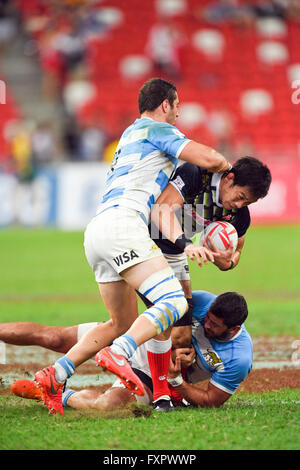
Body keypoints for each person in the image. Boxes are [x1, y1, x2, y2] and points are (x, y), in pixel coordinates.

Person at [33, 77, 231, 415]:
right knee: (171, 302)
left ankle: (55, 375)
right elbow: (209, 158)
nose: (179, 113)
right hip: (125, 224)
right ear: (164, 104)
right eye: (177, 105)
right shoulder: (156, 129)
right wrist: (230, 172)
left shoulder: (129, 133)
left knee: (119, 322)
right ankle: (120, 353)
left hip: (97, 230)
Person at [10, 291, 252, 410]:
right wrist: (175, 346)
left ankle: (53, 393)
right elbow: (158, 307)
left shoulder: (239, 358)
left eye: (215, 325)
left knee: (108, 406)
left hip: (155, 376)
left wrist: (176, 380)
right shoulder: (199, 300)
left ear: (234, 329)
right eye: (207, 319)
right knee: (54, 337)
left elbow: (211, 400)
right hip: (140, 341)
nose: (207, 325)